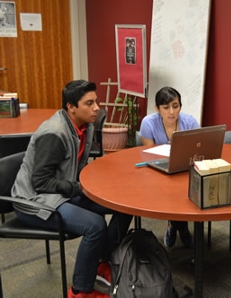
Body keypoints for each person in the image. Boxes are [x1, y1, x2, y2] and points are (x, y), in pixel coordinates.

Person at [11, 80, 133, 298]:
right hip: (35, 200)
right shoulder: (54, 134)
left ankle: (103, 263)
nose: (97, 107)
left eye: (95, 101)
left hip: (61, 192)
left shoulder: (85, 125)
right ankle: (79, 291)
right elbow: (41, 182)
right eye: (89, 103)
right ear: (71, 107)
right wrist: (80, 188)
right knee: (94, 226)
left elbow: (76, 167)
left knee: (125, 204)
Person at [139, 86, 199, 248]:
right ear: (157, 109)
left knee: (183, 187)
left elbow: (199, 149)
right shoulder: (148, 123)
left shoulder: (190, 121)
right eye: (166, 108)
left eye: (176, 106)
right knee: (171, 189)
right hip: (159, 169)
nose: (172, 112)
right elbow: (150, 154)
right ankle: (182, 227)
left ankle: (174, 225)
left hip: (186, 167)